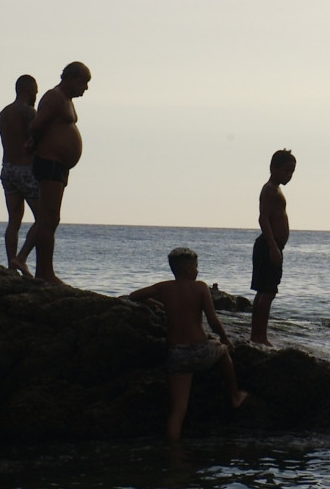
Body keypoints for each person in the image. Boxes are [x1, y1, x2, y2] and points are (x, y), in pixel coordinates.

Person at [126, 247, 250, 442]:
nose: (198, 271)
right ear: (187, 270)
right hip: (200, 351)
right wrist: (225, 338)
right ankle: (234, 395)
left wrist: (160, 305)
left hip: (177, 354)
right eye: (196, 267)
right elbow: (213, 321)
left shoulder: (163, 287)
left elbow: (134, 296)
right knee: (223, 350)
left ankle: (174, 454)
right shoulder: (200, 287)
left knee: (178, 410)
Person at [14, 61, 90, 281]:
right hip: (50, 162)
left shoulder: (65, 100)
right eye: (83, 82)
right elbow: (37, 124)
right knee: (49, 218)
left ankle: (42, 269)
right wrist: (32, 142)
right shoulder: (54, 97)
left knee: (51, 219)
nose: (85, 88)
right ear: (71, 78)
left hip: (59, 164)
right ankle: (44, 272)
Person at [249, 149, 297, 346]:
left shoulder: (276, 189)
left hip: (273, 245)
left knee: (264, 291)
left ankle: (257, 335)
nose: (289, 175)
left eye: (292, 171)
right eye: (286, 170)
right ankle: (259, 336)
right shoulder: (270, 189)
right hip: (269, 246)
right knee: (267, 292)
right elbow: (263, 218)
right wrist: (273, 247)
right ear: (273, 168)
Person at [0, 74, 39, 275]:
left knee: (14, 221)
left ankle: (11, 265)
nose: (36, 96)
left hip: (7, 169)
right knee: (45, 219)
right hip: (26, 170)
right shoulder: (28, 112)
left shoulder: (3, 113)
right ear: (29, 90)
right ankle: (21, 258)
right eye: (35, 92)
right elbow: (35, 139)